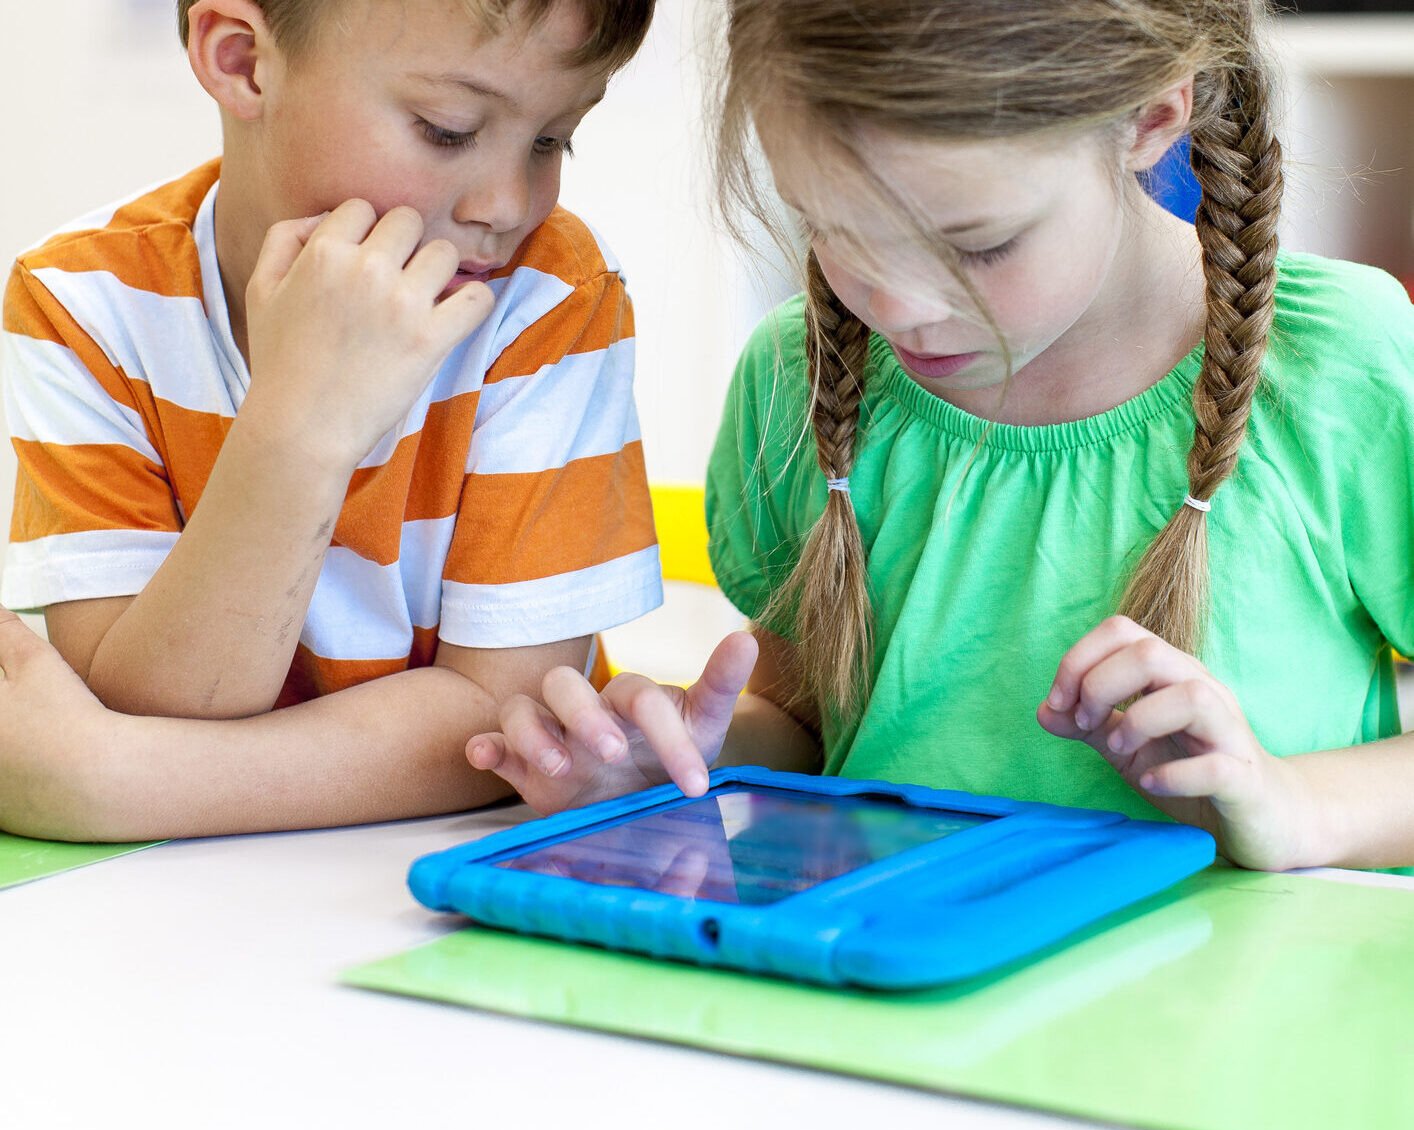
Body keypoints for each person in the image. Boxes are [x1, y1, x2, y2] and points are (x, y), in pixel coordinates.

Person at [466, 0, 1414, 872]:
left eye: (976, 245)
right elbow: (810, 721)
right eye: (837, 228)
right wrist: (675, 757)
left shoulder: (1343, 366)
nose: (902, 309)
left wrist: (1296, 805)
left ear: (1151, 119)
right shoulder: (794, 378)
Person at [0, 0, 659, 840]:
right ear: (241, 61)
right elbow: (150, 704)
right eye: (446, 130)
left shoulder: (547, 300)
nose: (506, 203)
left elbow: (513, 724)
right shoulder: (84, 302)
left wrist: (109, 780)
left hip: (417, 867)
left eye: (551, 140)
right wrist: (300, 426)